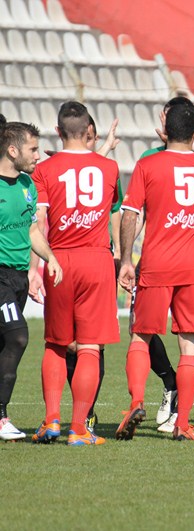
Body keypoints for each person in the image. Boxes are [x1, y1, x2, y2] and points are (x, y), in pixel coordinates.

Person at [117, 102, 194, 441]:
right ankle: (183, 422)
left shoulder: (148, 165)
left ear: (164, 131)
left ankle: (135, 401)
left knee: (140, 335)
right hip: (193, 266)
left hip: (157, 262)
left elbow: (130, 214)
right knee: (190, 343)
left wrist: (127, 259)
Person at [29, 102, 119, 446]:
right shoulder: (109, 168)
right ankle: (78, 428)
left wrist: (37, 266)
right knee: (90, 348)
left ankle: (51, 420)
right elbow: (113, 208)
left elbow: (39, 223)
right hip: (96, 260)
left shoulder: (45, 170)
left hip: (59, 260)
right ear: (89, 132)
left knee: (55, 343)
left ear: (57, 132)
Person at [0, 122, 62, 441]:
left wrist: (49, 259)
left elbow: (32, 230)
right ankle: (1, 416)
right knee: (18, 337)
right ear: (13, 151)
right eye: (33, 149)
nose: (38, 155)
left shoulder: (26, 183)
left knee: (4, 343)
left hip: (19, 276)